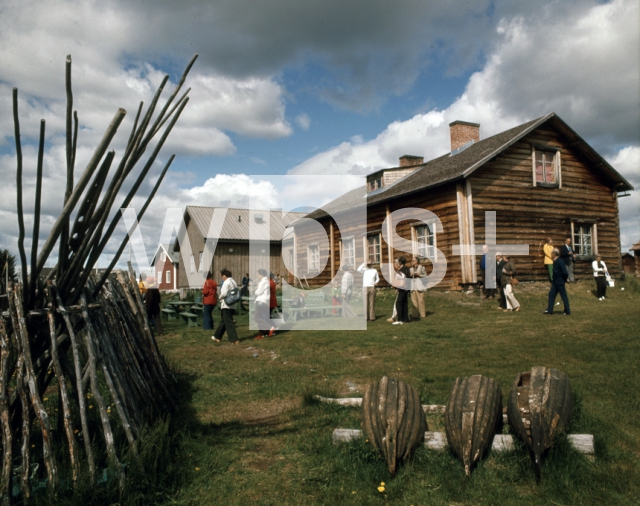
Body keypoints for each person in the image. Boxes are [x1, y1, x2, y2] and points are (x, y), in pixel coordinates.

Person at [212, 269, 240, 344]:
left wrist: (219, 297)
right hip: (233, 304)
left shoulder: (226, 282)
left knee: (228, 322)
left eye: (222, 276)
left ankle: (234, 339)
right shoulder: (234, 282)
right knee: (224, 321)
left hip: (226, 304)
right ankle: (217, 336)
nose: (221, 277)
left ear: (224, 275)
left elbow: (224, 293)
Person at [543, 249, 570, 315]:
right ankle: (550, 310)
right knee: (551, 295)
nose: (551, 254)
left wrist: (563, 280)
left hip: (560, 282)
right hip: (555, 282)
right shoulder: (555, 261)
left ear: (554, 254)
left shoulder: (560, 261)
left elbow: (565, 272)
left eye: (552, 253)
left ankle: (567, 311)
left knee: (563, 296)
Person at [253, 269, 273, 340]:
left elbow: (258, 292)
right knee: (260, 317)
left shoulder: (263, 282)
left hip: (261, 301)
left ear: (261, 275)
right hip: (263, 301)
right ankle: (261, 334)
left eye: (258, 275)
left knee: (256, 317)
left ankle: (270, 327)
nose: (258, 276)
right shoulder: (265, 281)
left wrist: (255, 291)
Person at [393, 257, 410, 325]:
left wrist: (396, 286)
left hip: (402, 288)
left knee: (398, 303)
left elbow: (402, 280)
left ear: (400, 263)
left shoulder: (401, 270)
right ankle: (405, 319)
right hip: (407, 289)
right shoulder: (407, 268)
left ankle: (400, 319)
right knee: (404, 303)